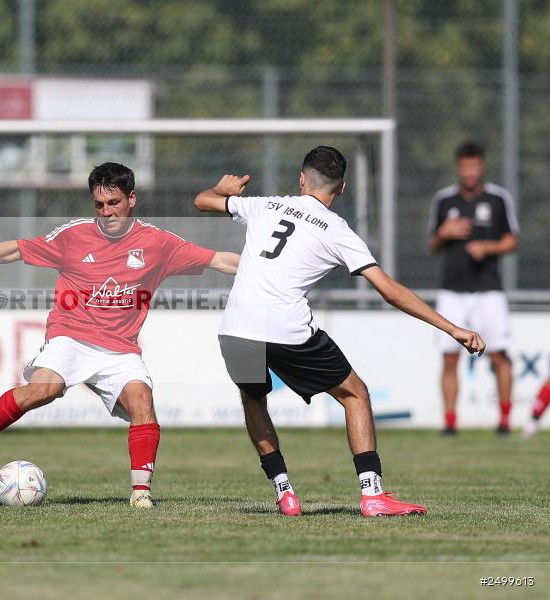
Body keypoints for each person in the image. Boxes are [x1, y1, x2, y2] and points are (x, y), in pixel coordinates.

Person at [194, 146, 485, 517]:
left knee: (253, 400)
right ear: (343, 188)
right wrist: (452, 328)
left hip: (235, 327)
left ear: (301, 179)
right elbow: (389, 290)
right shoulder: (336, 230)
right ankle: (373, 494)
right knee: (355, 394)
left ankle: (285, 493)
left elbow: (202, 201)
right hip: (285, 327)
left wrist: (225, 190)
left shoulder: (266, 204)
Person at [0, 162, 240, 507]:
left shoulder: (158, 243)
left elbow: (220, 260)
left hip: (121, 348)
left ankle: (141, 495)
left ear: (132, 199)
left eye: (113, 203)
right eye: (99, 205)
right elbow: (19, 249)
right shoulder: (74, 235)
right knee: (44, 390)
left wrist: (268, 270)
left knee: (143, 401)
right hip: (71, 335)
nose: (106, 212)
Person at [428, 141, 519, 435]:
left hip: (488, 289)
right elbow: (433, 243)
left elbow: (512, 239)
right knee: (449, 356)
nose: (470, 172)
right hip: (452, 290)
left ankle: (504, 420)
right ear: (459, 167)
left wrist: (489, 247)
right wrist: (444, 233)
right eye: (465, 167)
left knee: (499, 355)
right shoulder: (444, 200)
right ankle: (450, 422)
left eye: (475, 166)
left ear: (482, 167)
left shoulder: (497, 199)